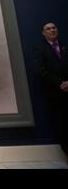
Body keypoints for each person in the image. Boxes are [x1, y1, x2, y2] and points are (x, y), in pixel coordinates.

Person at [34, 22, 68, 160]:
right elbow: (41, 70)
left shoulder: (65, 45)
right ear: (44, 33)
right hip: (55, 93)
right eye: (48, 29)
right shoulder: (39, 49)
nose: (52, 30)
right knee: (62, 125)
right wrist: (61, 83)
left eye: (54, 27)